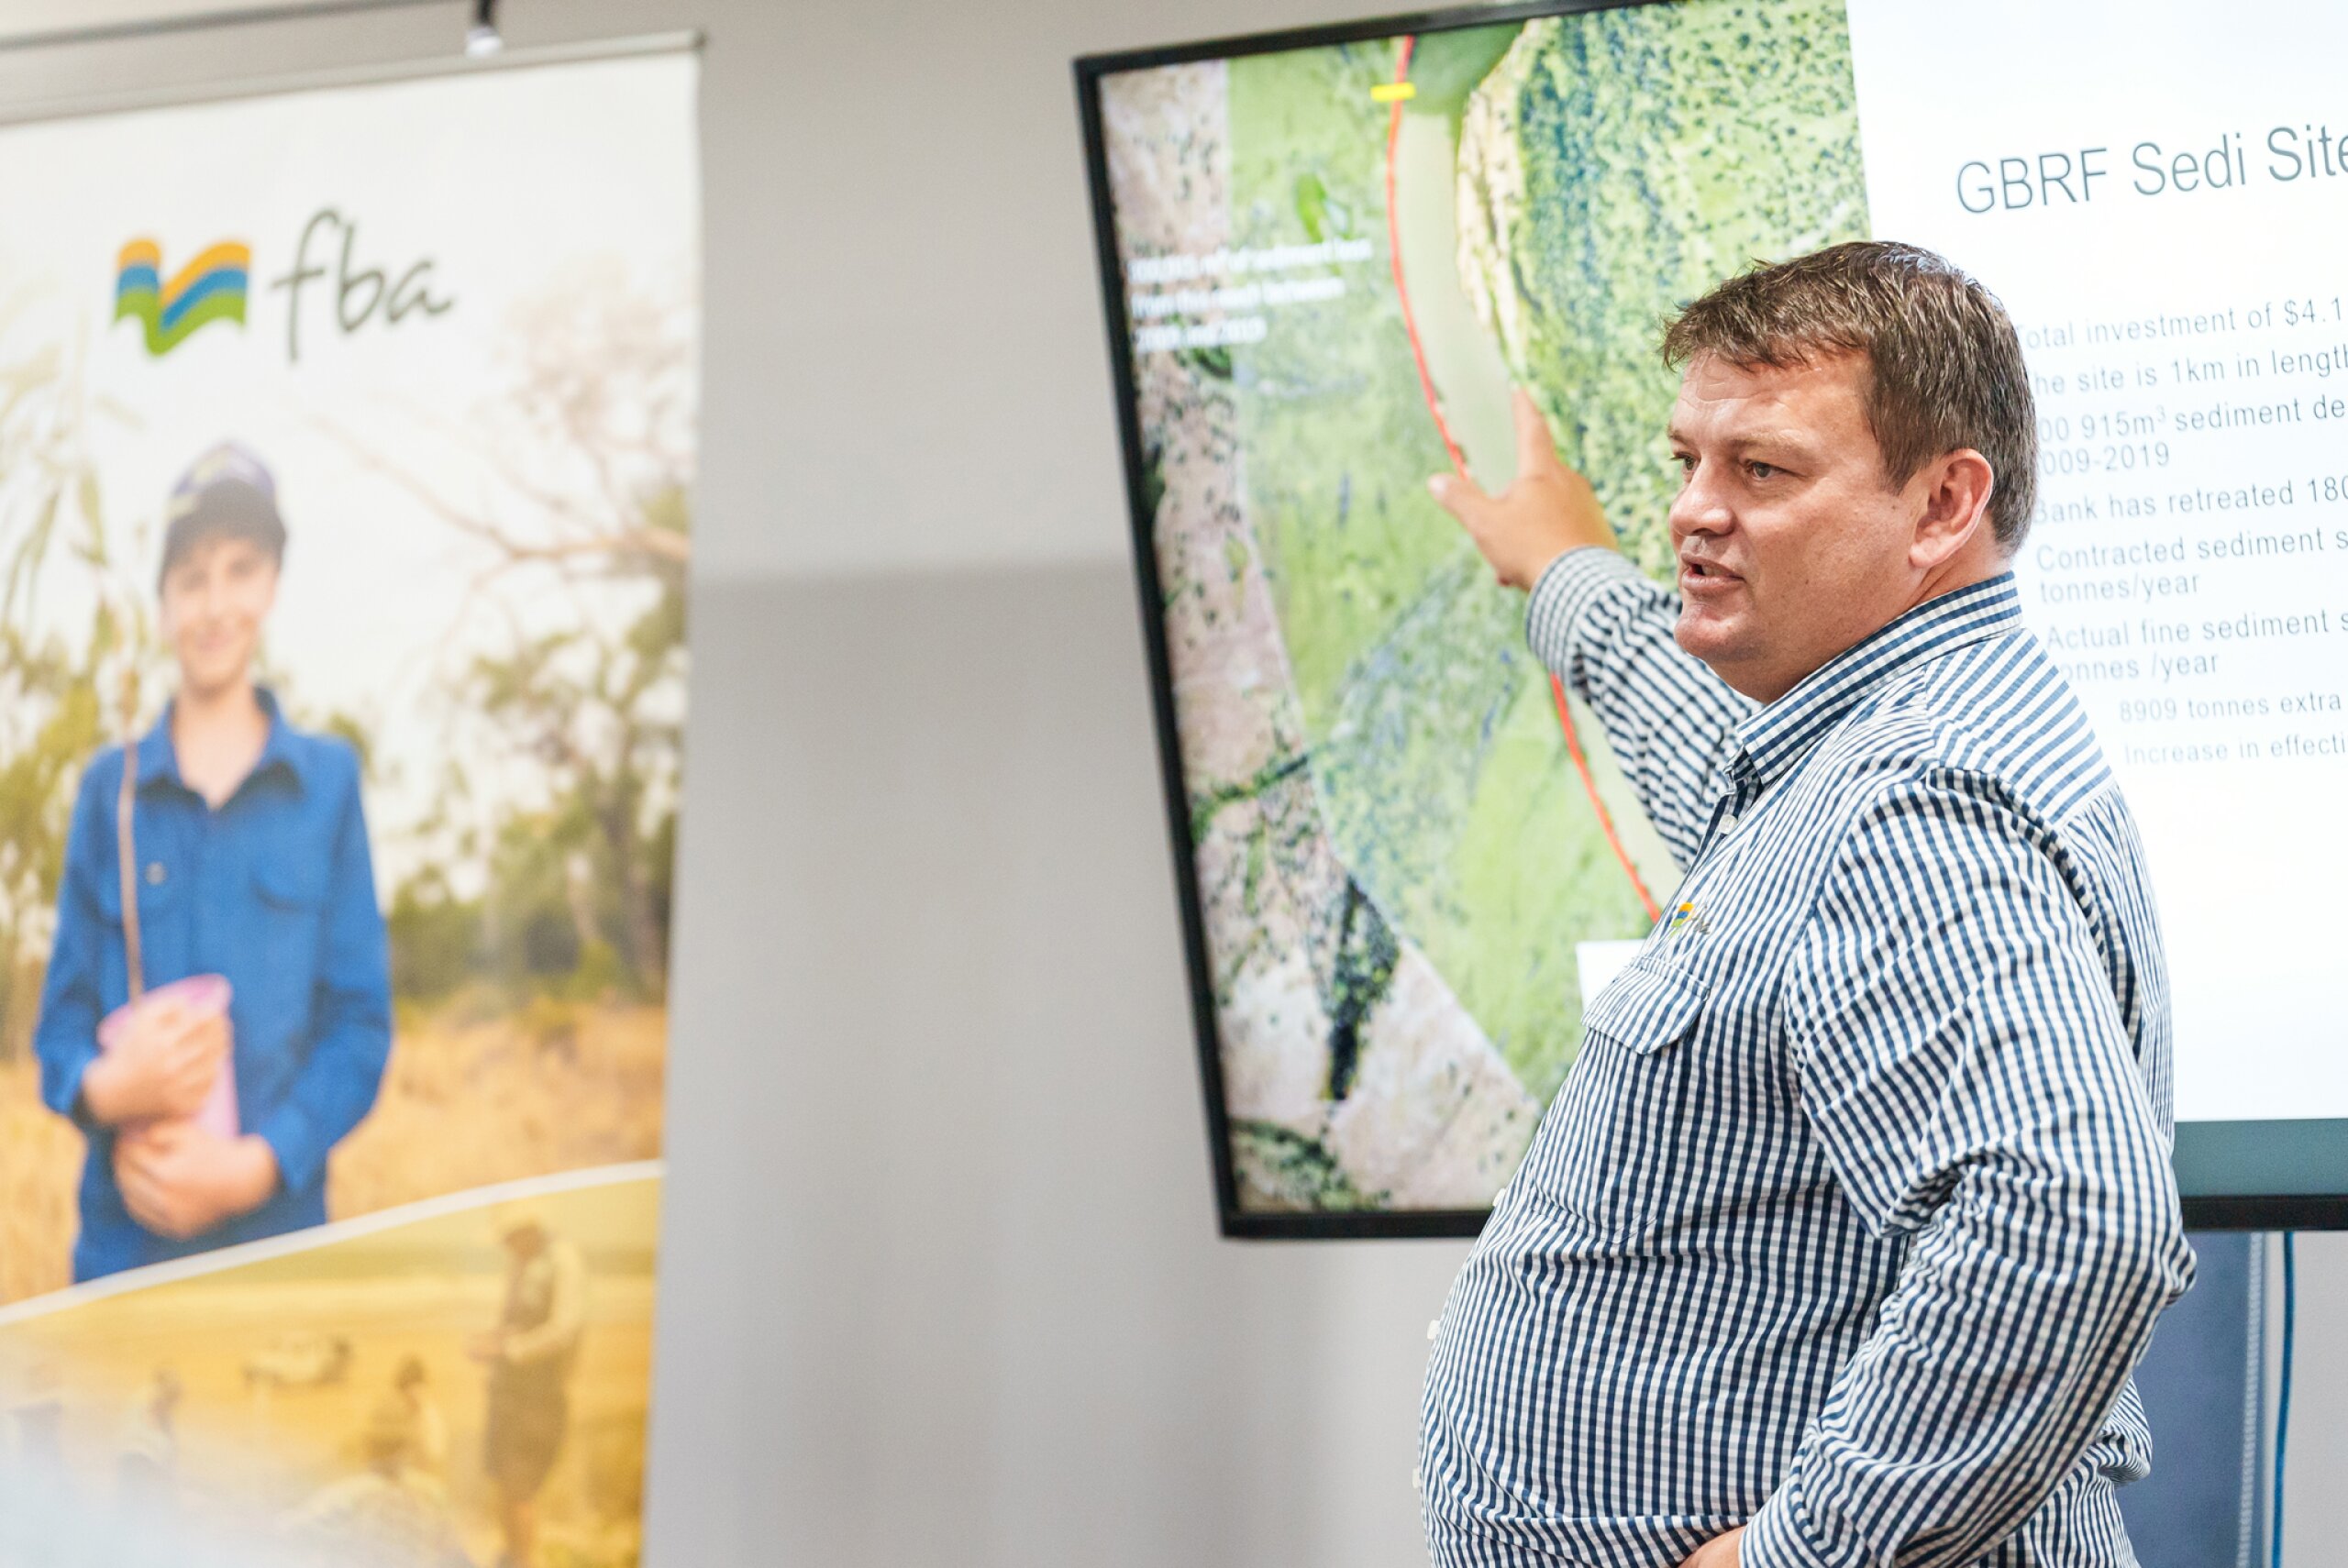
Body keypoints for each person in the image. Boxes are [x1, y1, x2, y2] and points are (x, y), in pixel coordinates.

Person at [1416, 242, 2193, 1568]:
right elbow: (1702, 757)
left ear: (1943, 504)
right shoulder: (1849, 741)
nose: (1692, 512)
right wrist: (1564, 572)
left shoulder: (1909, 799)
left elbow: (2073, 1216)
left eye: (1760, 469)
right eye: (1687, 462)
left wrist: (1799, 1556)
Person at [33, 443, 393, 1282]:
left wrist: (251, 1169)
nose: (214, 603)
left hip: (277, 1257)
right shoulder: (109, 795)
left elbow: (360, 1028)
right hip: (126, 1257)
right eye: (190, 577)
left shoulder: (326, 783)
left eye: (239, 570)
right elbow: (58, 1029)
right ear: (160, 605)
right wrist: (106, 1090)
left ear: (271, 587)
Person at [472, 1208, 587, 1568]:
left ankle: (524, 1560)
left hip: (537, 1396)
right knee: (503, 1480)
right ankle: (513, 1556)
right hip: (510, 1391)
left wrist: (508, 1349)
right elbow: (517, 1319)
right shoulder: (525, 1261)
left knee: (520, 1485)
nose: (506, 1247)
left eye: (509, 1238)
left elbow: (564, 1329)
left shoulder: (563, 1260)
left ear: (528, 1229)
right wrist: (495, 1339)